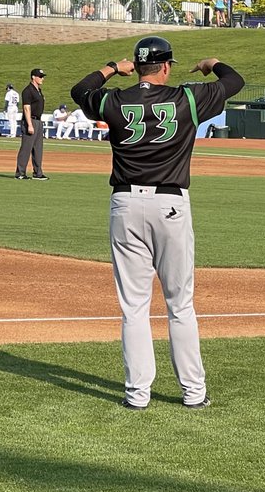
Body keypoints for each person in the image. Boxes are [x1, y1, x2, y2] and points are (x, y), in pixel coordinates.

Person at [69, 36, 244, 410]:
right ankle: (193, 393)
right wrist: (211, 62)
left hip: (125, 203)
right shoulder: (188, 98)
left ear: (138, 66)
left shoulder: (113, 100)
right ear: (166, 67)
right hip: (170, 204)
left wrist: (114, 68)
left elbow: (81, 89)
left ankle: (137, 395)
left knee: (134, 306)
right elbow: (234, 81)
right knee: (179, 304)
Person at [14, 68, 47, 180]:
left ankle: (38, 173)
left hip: (38, 120)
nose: (42, 78)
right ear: (33, 77)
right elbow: (27, 108)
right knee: (26, 148)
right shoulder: (28, 90)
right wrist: (29, 124)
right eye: (40, 76)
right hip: (30, 120)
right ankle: (20, 173)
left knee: (38, 148)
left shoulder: (38, 90)